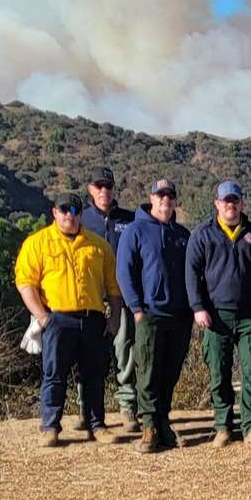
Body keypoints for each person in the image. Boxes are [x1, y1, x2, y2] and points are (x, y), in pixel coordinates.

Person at [15, 193, 123, 447]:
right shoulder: (38, 243)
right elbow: (25, 283)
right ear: (54, 212)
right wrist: (42, 317)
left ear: (80, 213)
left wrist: (115, 318)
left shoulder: (98, 245)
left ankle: (97, 426)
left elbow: (113, 288)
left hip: (93, 319)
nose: (69, 215)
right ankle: (50, 427)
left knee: (94, 376)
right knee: (54, 375)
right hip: (58, 319)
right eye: (64, 210)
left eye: (74, 210)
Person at [185, 181, 251, 449]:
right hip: (215, 315)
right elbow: (191, 273)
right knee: (219, 372)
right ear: (217, 204)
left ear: (242, 204)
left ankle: (250, 427)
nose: (230, 205)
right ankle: (223, 426)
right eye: (226, 200)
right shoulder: (202, 235)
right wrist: (198, 307)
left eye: (235, 200)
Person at [115, 179, 192, 453]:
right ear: (151, 198)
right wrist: (136, 308)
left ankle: (163, 423)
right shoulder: (135, 231)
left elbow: (193, 275)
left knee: (170, 373)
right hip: (149, 314)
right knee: (147, 372)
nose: (165, 200)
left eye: (170, 195)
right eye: (160, 195)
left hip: (180, 317)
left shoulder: (182, 235)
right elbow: (124, 272)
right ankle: (148, 427)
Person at [81, 167, 138, 432]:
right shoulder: (80, 221)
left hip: (122, 300)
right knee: (90, 356)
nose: (104, 191)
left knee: (124, 352)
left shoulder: (130, 218)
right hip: (90, 302)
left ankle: (127, 408)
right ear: (90, 189)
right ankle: (86, 410)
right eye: (98, 186)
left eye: (108, 186)